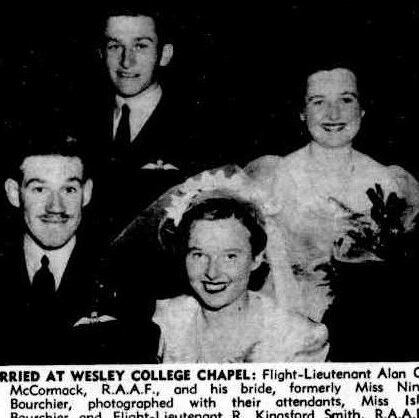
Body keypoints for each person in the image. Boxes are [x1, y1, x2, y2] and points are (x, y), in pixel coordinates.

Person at [245, 64, 419, 322]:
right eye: (318, 102)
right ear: (302, 112)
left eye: (346, 99)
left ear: (362, 109)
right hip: (282, 316)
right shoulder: (273, 176)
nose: (333, 113)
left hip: (363, 318)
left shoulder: (389, 182)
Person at [0, 133, 158, 364]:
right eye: (40, 190)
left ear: (87, 192)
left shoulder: (127, 274)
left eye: (69, 190)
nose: (56, 206)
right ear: (14, 193)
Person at [151, 170, 328, 363]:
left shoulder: (300, 338)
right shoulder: (163, 320)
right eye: (199, 254)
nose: (212, 272)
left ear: (257, 258)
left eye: (230, 256)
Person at [78, 2, 216, 237]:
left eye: (140, 46)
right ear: (101, 53)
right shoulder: (77, 121)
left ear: (164, 54)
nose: (126, 62)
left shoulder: (200, 128)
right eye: (114, 46)